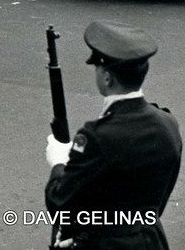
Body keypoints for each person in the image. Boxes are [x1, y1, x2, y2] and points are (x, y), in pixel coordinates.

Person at [45, 21, 181, 250]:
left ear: (107, 77)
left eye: (97, 68)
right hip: (151, 240)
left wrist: (58, 162)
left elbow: (60, 204)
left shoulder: (96, 137)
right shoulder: (168, 123)